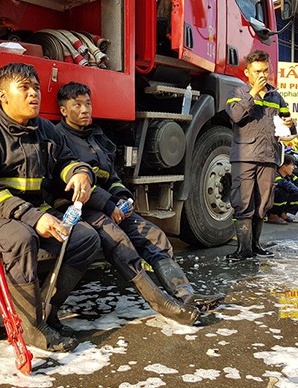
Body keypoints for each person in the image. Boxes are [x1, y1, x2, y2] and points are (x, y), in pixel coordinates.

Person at [0, 63, 101, 352]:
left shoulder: (46, 129)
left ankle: (44, 312)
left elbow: (67, 161)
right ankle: (33, 329)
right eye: (24, 87)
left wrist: (80, 173)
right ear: (2, 95)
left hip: (37, 210)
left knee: (86, 239)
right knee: (22, 240)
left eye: (36, 87)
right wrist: (35, 219)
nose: (34, 93)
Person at [52, 82, 225, 324]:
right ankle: (163, 304)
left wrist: (123, 197)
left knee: (153, 235)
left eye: (88, 104)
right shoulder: (58, 138)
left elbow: (111, 177)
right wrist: (108, 205)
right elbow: (68, 185)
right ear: (63, 110)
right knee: (119, 241)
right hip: (79, 207)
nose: (84, 110)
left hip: (109, 205)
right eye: (77, 105)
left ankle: (186, 295)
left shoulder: (96, 136)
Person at [225, 50, 294, 260]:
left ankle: (255, 246)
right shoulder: (237, 91)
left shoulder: (276, 96)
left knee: (263, 202)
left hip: (268, 157)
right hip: (245, 155)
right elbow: (236, 115)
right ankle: (242, 249)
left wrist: (290, 125)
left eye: (265, 70)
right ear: (247, 72)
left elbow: (289, 127)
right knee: (243, 201)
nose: (262, 75)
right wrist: (253, 92)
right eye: (257, 71)